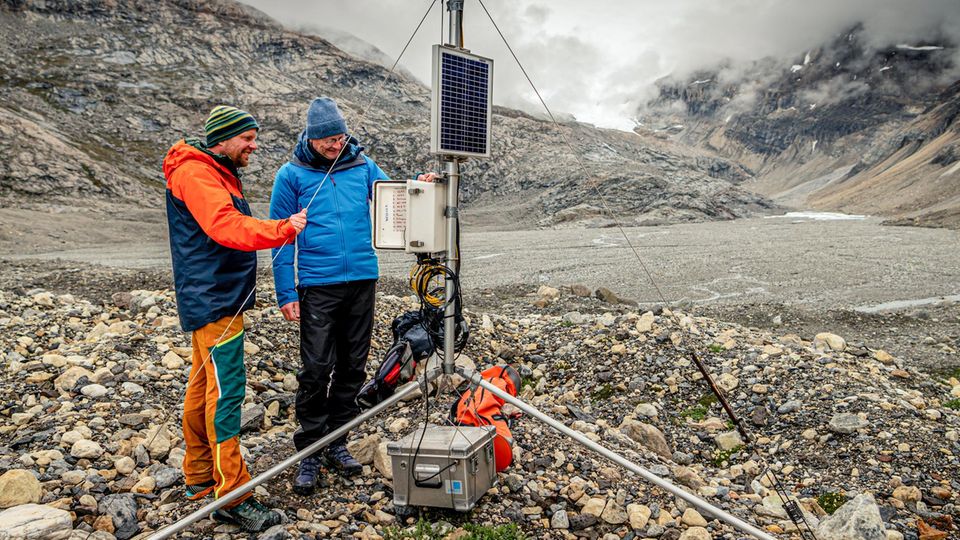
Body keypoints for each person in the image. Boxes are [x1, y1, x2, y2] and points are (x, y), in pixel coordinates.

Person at [270, 97, 437, 494]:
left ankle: (338, 440)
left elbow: (393, 196)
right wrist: (284, 292)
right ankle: (310, 449)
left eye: (340, 136)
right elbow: (280, 237)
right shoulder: (291, 175)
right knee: (315, 369)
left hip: (362, 278)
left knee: (352, 367)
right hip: (317, 284)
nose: (335, 144)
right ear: (311, 138)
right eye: (327, 139)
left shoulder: (362, 165)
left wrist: (420, 186)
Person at [163, 105, 307, 531]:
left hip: (213, 299)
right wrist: (282, 229)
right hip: (215, 301)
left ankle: (199, 478)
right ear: (223, 139)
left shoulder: (210, 169)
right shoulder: (197, 173)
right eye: (247, 137)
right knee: (225, 394)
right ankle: (232, 495)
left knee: (202, 386)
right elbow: (226, 227)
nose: (253, 144)